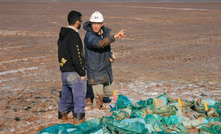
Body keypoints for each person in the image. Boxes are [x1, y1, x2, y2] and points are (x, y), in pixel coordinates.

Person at [83, 11, 125, 109]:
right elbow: (100, 43)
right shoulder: (89, 36)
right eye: (94, 23)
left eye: (98, 23)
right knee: (99, 98)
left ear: (102, 24)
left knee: (110, 92)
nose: (96, 26)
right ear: (90, 24)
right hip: (95, 70)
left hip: (106, 68)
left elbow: (106, 47)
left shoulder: (104, 34)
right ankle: (96, 111)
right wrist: (115, 36)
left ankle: (90, 92)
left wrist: (110, 56)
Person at [57, 10, 86, 125]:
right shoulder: (74, 36)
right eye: (81, 21)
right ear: (77, 22)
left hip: (64, 73)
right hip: (74, 73)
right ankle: (79, 123)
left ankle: (61, 117)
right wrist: (82, 73)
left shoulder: (62, 37)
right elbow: (77, 56)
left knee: (65, 97)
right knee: (79, 99)